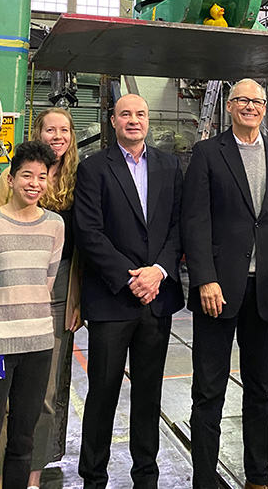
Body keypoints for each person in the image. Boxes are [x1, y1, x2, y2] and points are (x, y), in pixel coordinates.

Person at [181, 78, 268, 489]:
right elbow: (195, 221)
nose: (251, 107)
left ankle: (258, 477)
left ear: (265, 107)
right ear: (231, 106)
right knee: (208, 391)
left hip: (267, 290)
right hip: (218, 290)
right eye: (243, 100)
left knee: (260, 389)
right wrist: (204, 278)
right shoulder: (207, 153)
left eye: (257, 101)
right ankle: (205, 479)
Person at [73, 93, 184, 489]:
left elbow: (177, 227)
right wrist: (129, 276)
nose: (133, 120)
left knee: (148, 395)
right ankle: (93, 477)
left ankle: (146, 476)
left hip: (157, 299)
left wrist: (157, 272)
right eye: (125, 114)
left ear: (148, 120)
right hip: (112, 299)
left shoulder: (170, 166)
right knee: (103, 394)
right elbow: (88, 231)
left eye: (140, 114)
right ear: (113, 121)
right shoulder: (93, 168)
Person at [0, 140, 65, 489]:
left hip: (37, 346)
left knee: (23, 442)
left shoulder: (55, 225)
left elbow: (46, 281)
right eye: (26, 176)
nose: (34, 183)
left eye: (42, 177)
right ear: (11, 178)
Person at [0, 107, 80, 489]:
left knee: (44, 395)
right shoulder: (12, 177)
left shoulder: (80, 179)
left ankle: (32, 476)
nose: (57, 135)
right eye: (49, 129)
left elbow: (83, 247)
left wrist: (76, 299)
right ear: (37, 133)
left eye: (64, 129)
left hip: (57, 296)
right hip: (8, 296)